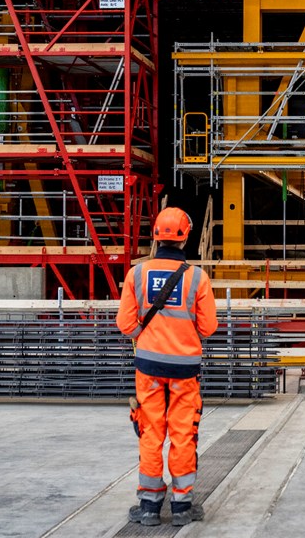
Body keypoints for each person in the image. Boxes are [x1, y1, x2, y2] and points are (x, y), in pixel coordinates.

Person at [117, 207, 218, 527]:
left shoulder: (136, 274)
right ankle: (181, 507)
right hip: (185, 370)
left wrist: (145, 337)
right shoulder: (198, 278)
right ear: (186, 237)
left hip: (148, 367)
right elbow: (209, 327)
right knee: (182, 434)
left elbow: (124, 324)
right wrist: (183, 335)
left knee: (150, 433)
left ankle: (148, 506)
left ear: (156, 235)